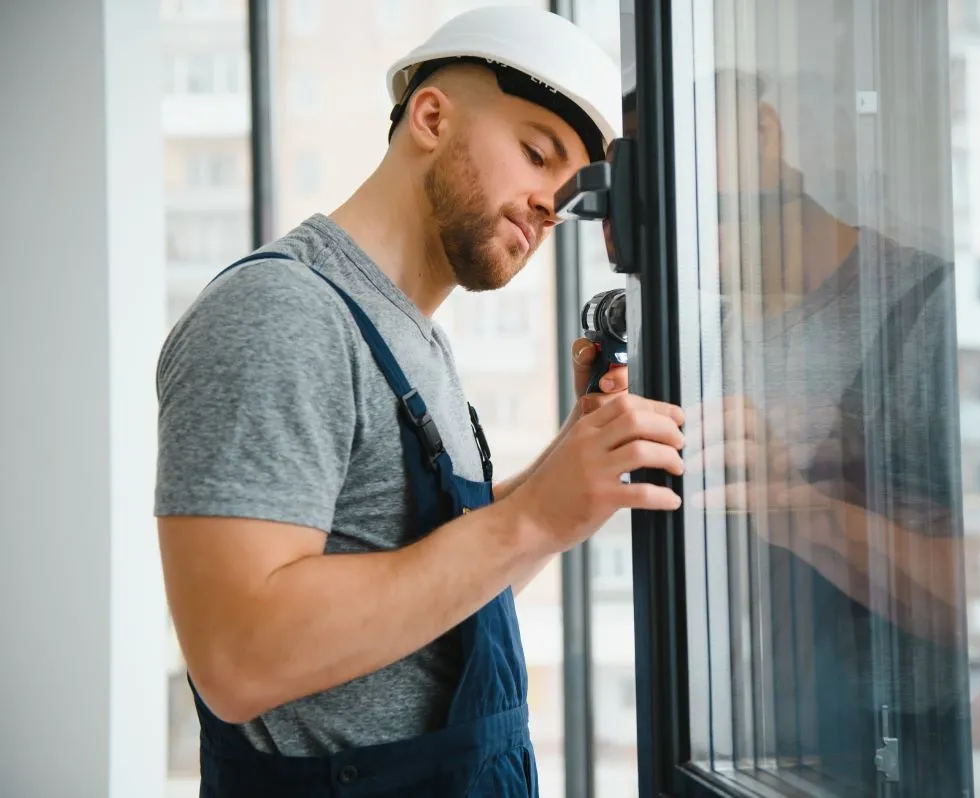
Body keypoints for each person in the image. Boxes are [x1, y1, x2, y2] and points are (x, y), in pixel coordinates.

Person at [154, 7, 684, 797]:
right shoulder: (282, 313)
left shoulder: (413, 338)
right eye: (537, 154)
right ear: (431, 117)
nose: (549, 204)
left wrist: (572, 471)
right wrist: (531, 516)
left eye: (566, 185)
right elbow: (237, 656)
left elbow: (441, 590)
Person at [686, 72, 974, 795]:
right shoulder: (710, 337)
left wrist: (805, 511)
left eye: (687, 183)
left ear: (758, 136)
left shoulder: (930, 314)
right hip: (743, 761)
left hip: (901, 766)